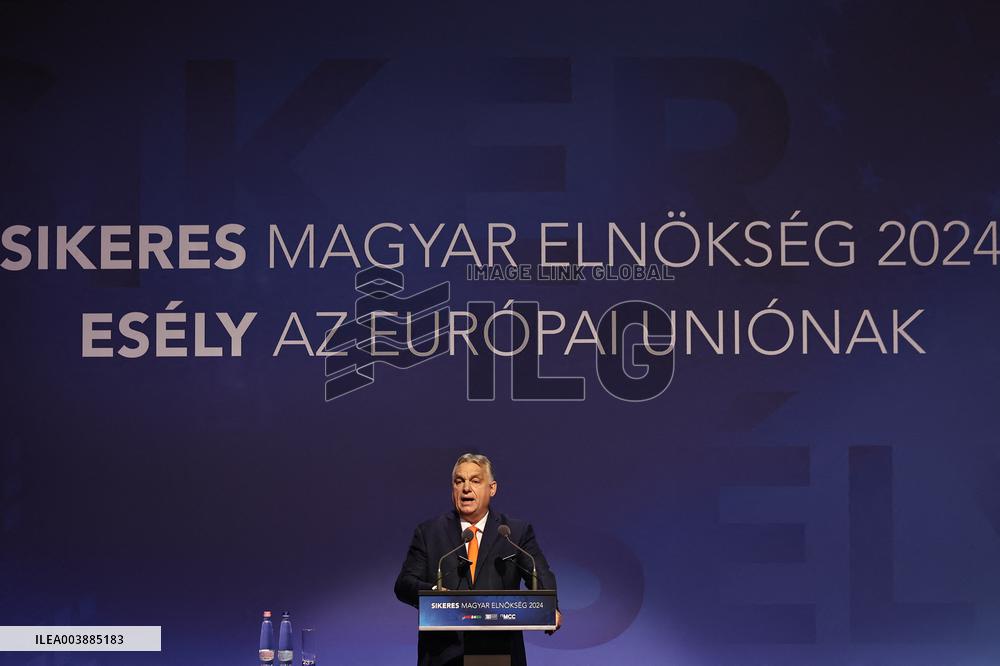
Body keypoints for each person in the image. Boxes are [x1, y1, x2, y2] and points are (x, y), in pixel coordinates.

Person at [394, 453, 561, 666]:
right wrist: (434, 595)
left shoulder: (513, 533)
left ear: (492, 489)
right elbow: (403, 584)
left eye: (475, 481)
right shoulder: (429, 532)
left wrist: (550, 608)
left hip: (499, 654)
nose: (466, 488)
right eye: (459, 481)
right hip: (444, 656)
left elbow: (540, 573)